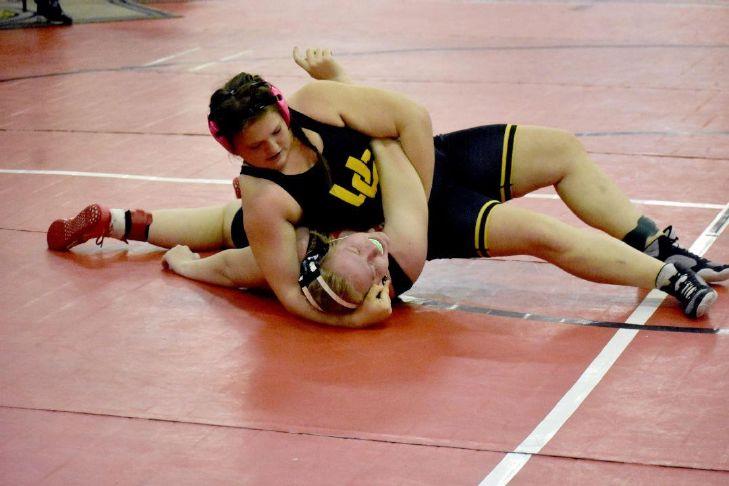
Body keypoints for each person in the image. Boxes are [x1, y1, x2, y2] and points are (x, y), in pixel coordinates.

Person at [46, 48, 726, 323]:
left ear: (281, 111)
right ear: (235, 148)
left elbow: (412, 120)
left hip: (421, 182)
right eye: (258, 148)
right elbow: (283, 287)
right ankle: (665, 278)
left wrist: (415, 196)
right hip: (388, 226)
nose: (275, 149)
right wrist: (361, 308)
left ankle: (658, 245)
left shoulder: (314, 102)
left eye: (276, 134)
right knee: (233, 243)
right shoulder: (265, 194)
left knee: (563, 151)